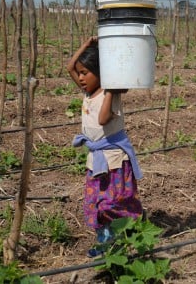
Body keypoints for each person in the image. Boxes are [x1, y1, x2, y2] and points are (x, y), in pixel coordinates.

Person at [67, 36, 143, 257]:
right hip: (96, 161)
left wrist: (110, 87)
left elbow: (102, 119)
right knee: (95, 204)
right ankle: (104, 242)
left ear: (101, 74)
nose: (80, 78)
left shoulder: (112, 95)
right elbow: (69, 66)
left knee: (112, 203)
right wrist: (87, 44)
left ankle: (119, 239)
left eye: (85, 73)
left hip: (114, 162)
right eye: (79, 73)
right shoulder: (89, 93)